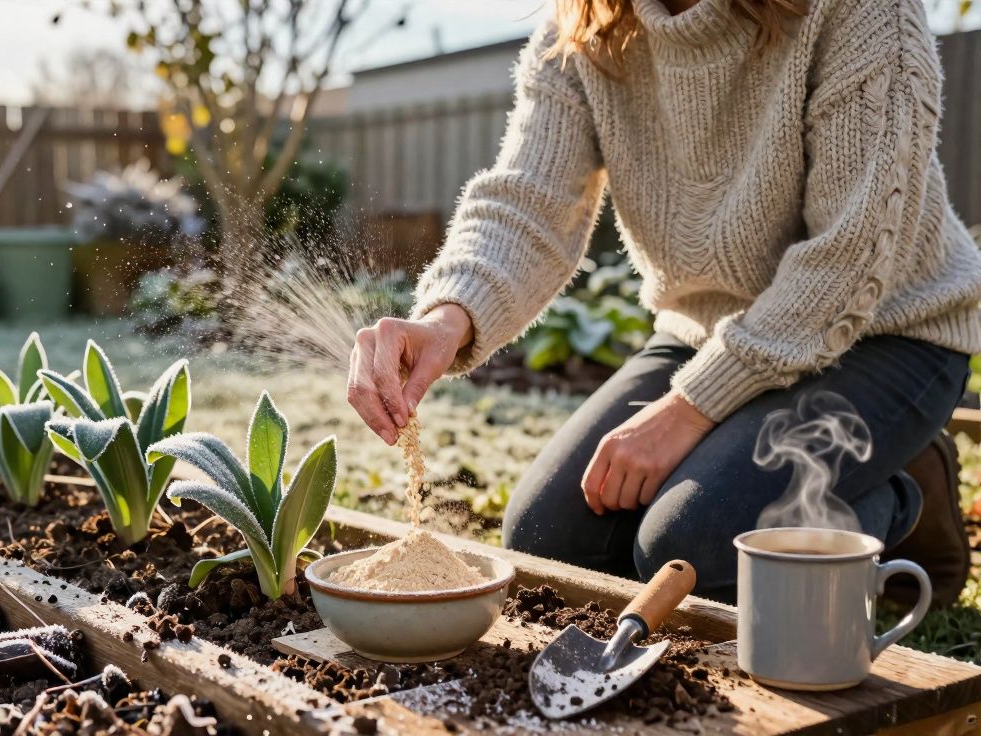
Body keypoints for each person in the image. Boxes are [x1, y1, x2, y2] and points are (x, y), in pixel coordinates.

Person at [347, 0, 981, 604]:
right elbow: (528, 200)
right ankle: (806, 457)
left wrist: (691, 409)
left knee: (694, 548)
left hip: (885, 331)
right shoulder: (586, 25)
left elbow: (851, 252)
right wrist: (445, 318)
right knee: (551, 546)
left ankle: (902, 490)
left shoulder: (863, 12)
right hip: (706, 334)